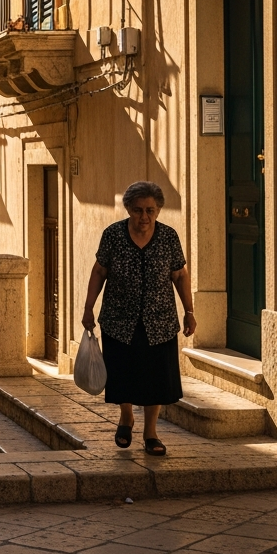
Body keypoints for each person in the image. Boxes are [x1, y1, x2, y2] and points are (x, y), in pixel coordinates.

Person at [82, 180, 196, 456]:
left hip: (159, 321)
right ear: (129, 210)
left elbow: (179, 275)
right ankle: (126, 416)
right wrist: (88, 307)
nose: (144, 217)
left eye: (150, 211)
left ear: (158, 210)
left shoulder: (168, 237)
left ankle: (151, 433)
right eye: (137, 211)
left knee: (156, 379)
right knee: (123, 375)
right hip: (119, 320)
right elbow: (100, 271)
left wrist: (189, 311)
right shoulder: (113, 235)